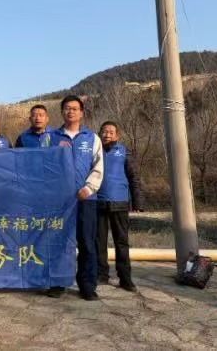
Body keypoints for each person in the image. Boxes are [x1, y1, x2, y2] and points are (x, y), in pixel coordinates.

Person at [54, 95, 104, 301]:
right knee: (58, 241)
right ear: (62, 112)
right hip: (58, 201)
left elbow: (98, 166)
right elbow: (44, 166)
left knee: (87, 243)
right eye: (67, 108)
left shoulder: (92, 138)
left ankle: (87, 285)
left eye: (75, 108)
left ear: (82, 113)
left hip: (85, 200)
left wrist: (89, 188)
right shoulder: (52, 137)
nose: (71, 111)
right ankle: (57, 283)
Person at [96, 121, 143, 292]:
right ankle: (101, 274)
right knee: (98, 242)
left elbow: (134, 177)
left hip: (120, 203)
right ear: (100, 134)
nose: (107, 135)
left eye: (111, 132)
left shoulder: (124, 152)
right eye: (104, 131)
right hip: (98, 202)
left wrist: (137, 202)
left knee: (121, 243)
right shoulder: (95, 152)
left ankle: (125, 278)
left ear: (117, 135)